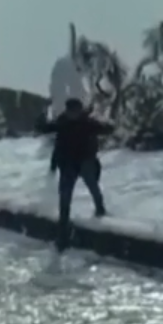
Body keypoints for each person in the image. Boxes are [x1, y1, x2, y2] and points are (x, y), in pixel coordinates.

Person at [36, 98, 113, 250]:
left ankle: (100, 209)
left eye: (76, 111)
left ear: (79, 111)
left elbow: (106, 129)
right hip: (68, 164)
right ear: (68, 111)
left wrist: (108, 123)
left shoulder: (88, 123)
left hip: (85, 161)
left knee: (92, 186)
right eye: (71, 111)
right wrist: (42, 114)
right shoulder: (62, 122)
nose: (73, 115)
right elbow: (44, 128)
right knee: (65, 196)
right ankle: (62, 233)